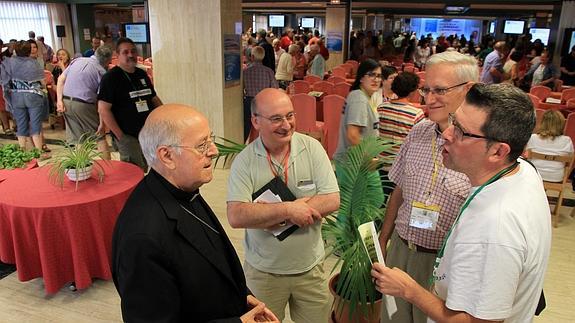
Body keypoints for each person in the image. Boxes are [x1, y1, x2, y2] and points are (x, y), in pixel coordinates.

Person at [372, 83, 552, 323]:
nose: (447, 133)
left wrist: (409, 290)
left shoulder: (493, 227)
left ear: (498, 152)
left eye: (461, 131)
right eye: (453, 121)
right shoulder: (523, 169)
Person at [112, 104, 279, 323]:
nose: (214, 150)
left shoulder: (183, 188)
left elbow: (209, 262)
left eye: (210, 139)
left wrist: (243, 296)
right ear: (167, 156)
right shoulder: (142, 239)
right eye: (202, 145)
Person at [376, 51, 477, 323]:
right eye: (426, 90)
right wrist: (384, 238)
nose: (429, 100)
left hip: (441, 263)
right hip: (401, 249)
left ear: (468, 89)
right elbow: (399, 189)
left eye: (440, 90)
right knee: (392, 318)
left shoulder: (479, 147)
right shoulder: (419, 131)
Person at [226, 88, 340, 322]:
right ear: (256, 121)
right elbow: (236, 215)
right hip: (263, 274)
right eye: (276, 118)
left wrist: (264, 213)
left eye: (290, 115)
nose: (286, 125)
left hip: (311, 269)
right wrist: (289, 210)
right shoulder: (244, 161)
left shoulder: (312, 148)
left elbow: (332, 198)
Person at [98, 37, 163, 171]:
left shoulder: (141, 74)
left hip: (147, 132)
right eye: (125, 52)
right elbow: (104, 110)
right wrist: (121, 136)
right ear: (117, 55)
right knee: (134, 170)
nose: (131, 55)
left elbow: (154, 98)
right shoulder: (110, 78)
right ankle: (133, 192)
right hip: (127, 135)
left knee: (149, 166)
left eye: (133, 51)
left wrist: (166, 115)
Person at [57, 45, 113, 159]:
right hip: (84, 105)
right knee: (99, 137)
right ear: (108, 61)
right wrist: (102, 124)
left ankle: (81, 169)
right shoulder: (102, 73)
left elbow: (61, 79)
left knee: (78, 139)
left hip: (66, 101)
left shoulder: (77, 61)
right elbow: (102, 101)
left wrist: (59, 101)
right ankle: (108, 167)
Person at [0, 40, 48, 157]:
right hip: (33, 96)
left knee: (21, 125)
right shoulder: (34, 63)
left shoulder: (9, 62)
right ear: (28, 50)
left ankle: (22, 152)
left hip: (16, 96)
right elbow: (42, 81)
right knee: (35, 124)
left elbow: (5, 80)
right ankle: (39, 152)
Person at [334, 59, 382, 160]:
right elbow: (353, 134)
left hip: (359, 162)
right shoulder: (359, 99)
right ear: (361, 78)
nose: (376, 79)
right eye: (371, 75)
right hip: (354, 164)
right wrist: (369, 157)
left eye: (378, 76)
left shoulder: (364, 97)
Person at [378, 72, 425, 152]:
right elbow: (420, 141)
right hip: (402, 161)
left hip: (380, 158)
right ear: (412, 91)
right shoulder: (416, 114)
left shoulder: (381, 107)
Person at [526, 110, 574, 182]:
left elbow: (526, 155)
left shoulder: (533, 138)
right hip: (556, 176)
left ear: (542, 123)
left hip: (534, 174)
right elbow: (570, 159)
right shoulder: (567, 140)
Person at [243, 46, 278, 141]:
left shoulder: (245, 72)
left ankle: (243, 147)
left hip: (249, 102)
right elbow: (275, 88)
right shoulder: (268, 71)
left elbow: (241, 90)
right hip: (264, 102)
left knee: (246, 128)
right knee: (264, 126)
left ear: (252, 56)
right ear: (263, 57)